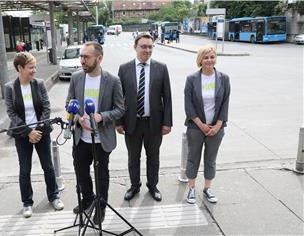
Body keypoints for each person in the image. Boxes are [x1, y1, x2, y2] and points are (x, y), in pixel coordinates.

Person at [66, 42, 124, 225]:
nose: (82, 60)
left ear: (99, 58)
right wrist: (78, 119)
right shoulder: (76, 78)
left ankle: (101, 206)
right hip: (81, 138)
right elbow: (70, 101)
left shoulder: (112, 80)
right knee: (81, 172)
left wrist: (100, 117)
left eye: (86, 57)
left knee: (101, 175)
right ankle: (88, 198)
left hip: (101, 139)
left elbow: (120, 109)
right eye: (81, 56)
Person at [4, 52, 64, 218]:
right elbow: (11, 113)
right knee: (25, 169)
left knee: (48, 166)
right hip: (23, 135)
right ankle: (27, 203)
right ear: (20, 68)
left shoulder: (39, 84)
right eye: (31, 67)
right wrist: (28, 132)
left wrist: (37, 129)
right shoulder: (10, 88)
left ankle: (54, 196)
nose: (34, 70)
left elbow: (46, 107)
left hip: (41, 133)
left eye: (35, 67)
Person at [117, 33, 173, 202]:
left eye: (150, 46)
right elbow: (119, 98)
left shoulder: (161, 68)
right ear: (135, 47)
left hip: (154, 124)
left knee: (153, 158)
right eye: (143, 46)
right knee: (133, 158)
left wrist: (167, 122)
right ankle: (134, 186)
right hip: (131, 123)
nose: (147, 50)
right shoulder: (124, 68)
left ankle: (153, 185)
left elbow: (167, 97)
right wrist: (118, 122)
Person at [184, 45, 230, 204]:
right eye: (206, 57)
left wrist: (218, 125)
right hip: (196, 127)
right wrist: (201, 124)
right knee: (193, 158)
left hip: (216, 128)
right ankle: (191, 188)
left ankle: (207, 188)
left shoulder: (224, 78)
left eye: (212, 57)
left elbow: (225, 103)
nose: (209, 60)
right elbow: (188, 105)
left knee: (210, 159)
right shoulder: (192, 79)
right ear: (200, 60)